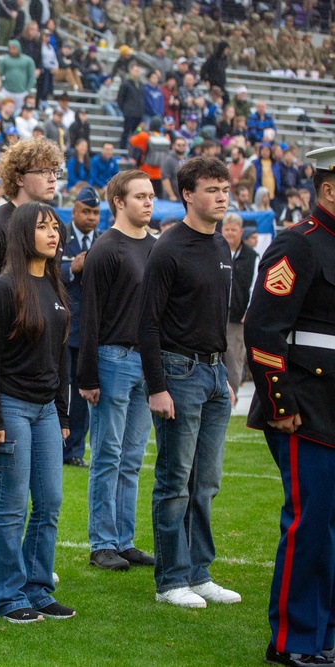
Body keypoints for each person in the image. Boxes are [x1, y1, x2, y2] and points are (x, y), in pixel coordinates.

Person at [244, 145, 335, 667]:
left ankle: (323, 633)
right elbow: (264, 329)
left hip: (332, 407)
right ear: (328, 189)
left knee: (331, 528)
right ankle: (293, 641)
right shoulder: (297, 246)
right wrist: (279, 403)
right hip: (305, 407)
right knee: (309, 524)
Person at [138, 157, 241, 609]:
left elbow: (218, 316)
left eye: (225, 188)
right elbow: (147, 323)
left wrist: (227, 376)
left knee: (207, 482)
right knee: (174, 480)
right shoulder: (168, 248)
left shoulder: (221, 245)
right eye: (212, 189)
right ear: (187, 194)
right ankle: (171, 580)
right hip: (178, 373)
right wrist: (157, 387)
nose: (221, 196)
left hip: (215, 374)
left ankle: (199, 573)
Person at [0, 137, 64, 582]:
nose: (53, 180)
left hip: (36, 368)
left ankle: (20, 565)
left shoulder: (50, 226)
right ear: (20, 177)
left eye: (56, 172)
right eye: (45, 172)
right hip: (0, 365)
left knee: (27, 486)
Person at [0, 201, 73, 624]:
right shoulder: (5, 287)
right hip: (13, 408)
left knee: (50, 502)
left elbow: (59, 357)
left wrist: (63, 413)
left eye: (56, 227)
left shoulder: (54, 285)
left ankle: (38, 589)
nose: (53, 234)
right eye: (43, 227)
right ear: (22, 234)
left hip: (47, 411)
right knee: (13, 505)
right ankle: (7, 596)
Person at [76, 170, 158, 572]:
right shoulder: (107, 248)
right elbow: (89, 314)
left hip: (146, 363)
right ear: (119, 202)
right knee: (107, 454)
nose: (148, 202)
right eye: (140, 196)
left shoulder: (156, 247)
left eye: (151, 195)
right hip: (112, 359)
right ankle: (102, 542)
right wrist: (87, 374)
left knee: (132, 456)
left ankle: (124, 540)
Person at [60, 186, 100, 468]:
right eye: (86, 211)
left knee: (84, 392)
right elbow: (44, 271)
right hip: (62, 329)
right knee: (59, 391)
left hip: (90, 332)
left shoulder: (103, 240)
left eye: (96, 212)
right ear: (74, 211)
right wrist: (69, 269)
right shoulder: (58, 235)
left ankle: (74, 450)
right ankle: (54, 444)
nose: (91, 217)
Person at [219, 214, 257, 396]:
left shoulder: (252, 257)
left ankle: (231, 398)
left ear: (241, 232)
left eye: (233, 230)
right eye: (226, 229)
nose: (230, 233)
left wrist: (249, 310)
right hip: (214, 313)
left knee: (234, 357)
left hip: (237, 316)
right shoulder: (215, 250)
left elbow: (254, 286)